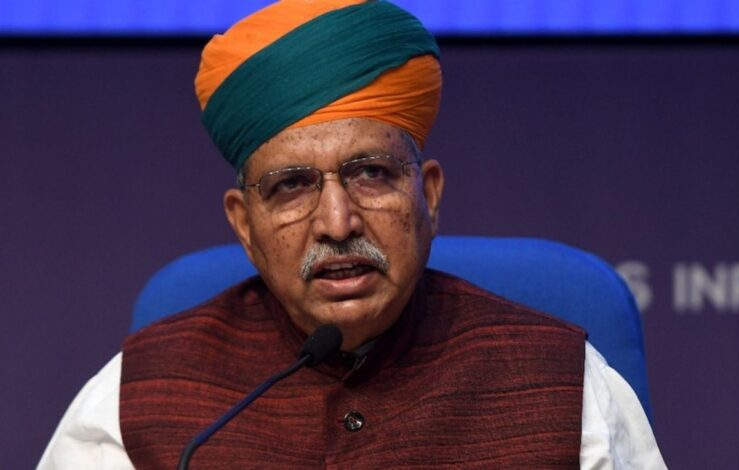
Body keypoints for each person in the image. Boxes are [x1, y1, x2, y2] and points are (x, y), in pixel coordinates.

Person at [39, 0, 666, 468]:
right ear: (244, 225)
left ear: (429, 195)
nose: (338, 223)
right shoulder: (137, 397)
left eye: (372, 174)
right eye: (291, 186)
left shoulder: (564, 385)